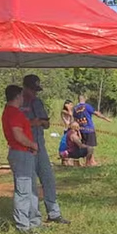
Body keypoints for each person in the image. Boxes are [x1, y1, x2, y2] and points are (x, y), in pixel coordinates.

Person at [20, 74, 69, 224]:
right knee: (30, 184)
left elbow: (46, 124)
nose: (35, 93)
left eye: (36, 90)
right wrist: (32, 123)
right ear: (25, 88)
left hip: (40, 145)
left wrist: (42, 122)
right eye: (32, 89)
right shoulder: (17, 102)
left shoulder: (38, 102)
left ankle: (54, 213)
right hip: (24, 146)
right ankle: (34, 218)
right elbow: (14, 124)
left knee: (48, 178)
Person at [2, 85, 41, 234]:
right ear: (18, 96)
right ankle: (23, 226)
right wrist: (32, 144)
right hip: (21, 153)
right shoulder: (14, 113)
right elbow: (18, 135)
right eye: (22, 96)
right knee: (24, 191)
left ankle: (34, 221)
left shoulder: (11, 112)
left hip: (23, 153)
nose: (23, 99)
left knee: (30, 189)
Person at [73, 94, 112, 167]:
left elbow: (75, 120)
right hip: (89, 129)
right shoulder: (87, 106)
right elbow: (96, 113)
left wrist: (77, 130)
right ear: (85, 99)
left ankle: (92, 161)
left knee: (85, 147)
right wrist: (106, 118)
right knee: (90, 147)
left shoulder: (75, 108)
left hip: (81, 129)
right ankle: (88, 163)